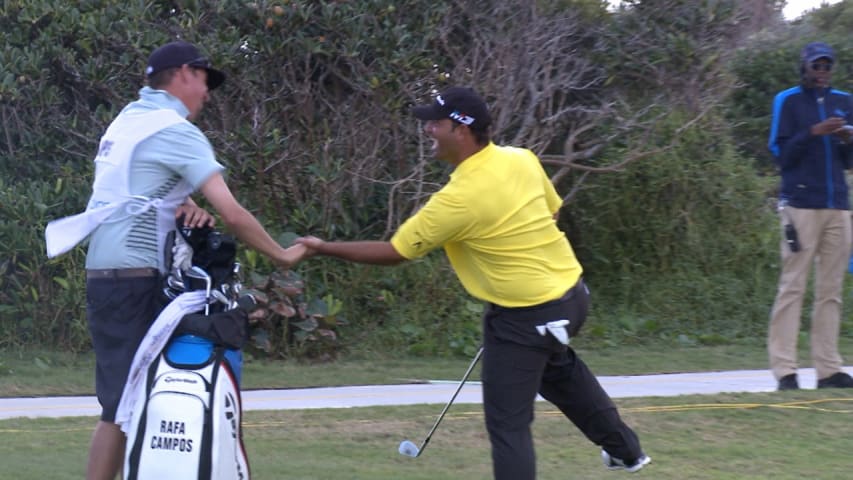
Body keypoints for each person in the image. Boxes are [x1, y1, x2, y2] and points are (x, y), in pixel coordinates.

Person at [294, 86, 651, 478]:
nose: (428, 129)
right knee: (559, 372)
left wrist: (322, 247)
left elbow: (397, 252)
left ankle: (623, 449)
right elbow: (551, 214)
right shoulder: (522, 159)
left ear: (461, 130)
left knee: (508, 424)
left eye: (436, 123)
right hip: (572, 298)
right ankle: (626, 451)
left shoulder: (458, 198)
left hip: (525, 317)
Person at [45, 40, 305, 480]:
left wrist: (186, 206)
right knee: (122, 409)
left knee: (128, 402)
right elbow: (233, 212)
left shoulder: (127, 121)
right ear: (184, 73)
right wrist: (283, 254)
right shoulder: (174, 130)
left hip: (107, 274)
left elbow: (145, 193)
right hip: (138, 278)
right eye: (204, 80)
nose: (207, 93)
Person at [767, 41, 853, 391]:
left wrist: (847, 140)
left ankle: (828, 369)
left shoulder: (845, 102)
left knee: (831, 291)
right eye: (816, 66)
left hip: (838, 207)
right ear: (804, 67)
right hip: (800, 205)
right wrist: (812, 133)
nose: (822, 72)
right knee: (793, 287)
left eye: (827, 66)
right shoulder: (787, 101)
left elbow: (848, 162)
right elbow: (780, 154)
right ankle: (785, 370)